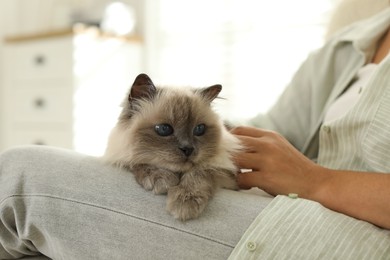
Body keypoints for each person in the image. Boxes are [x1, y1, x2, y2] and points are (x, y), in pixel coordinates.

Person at [1, 2, 390, 260]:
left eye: (194, 134)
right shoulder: (348, 43)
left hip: (336, 235)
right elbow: (267, 132)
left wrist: (316, 180)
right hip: (277, 205)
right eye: (169, 132)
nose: (186, 146)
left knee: (16, 178)